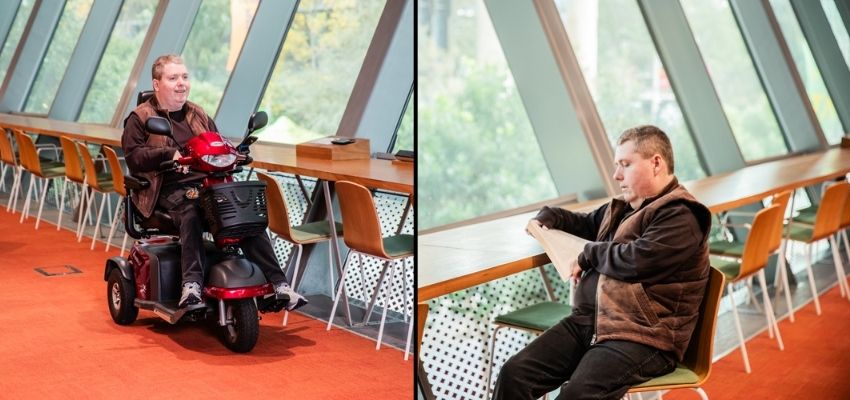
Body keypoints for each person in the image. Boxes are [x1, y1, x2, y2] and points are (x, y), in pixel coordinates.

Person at [492, 125, 711, 399]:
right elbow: (583, 223)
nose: (616, 175)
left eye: (625, 164)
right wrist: (549, 216)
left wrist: (588, 254)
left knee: (577, 395)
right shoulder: (623, 207)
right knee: (514, 374)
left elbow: (636, 261)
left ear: (656, 163)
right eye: (616, 165)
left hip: (643, 336)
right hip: (589, 322)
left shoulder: (682, 216)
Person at [122, 54, 308, 310]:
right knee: (192, 211)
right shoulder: (141, 117)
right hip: (164, 189)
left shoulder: (197, 113)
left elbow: (216, 142)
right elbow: (134, 157)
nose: (181, 83)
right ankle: (192, 285)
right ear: (156, 84)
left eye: (185, 77)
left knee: (245, 213)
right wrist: (169, 155)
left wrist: (236, 153)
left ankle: (279, 285)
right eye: (173, 78)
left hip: (207, 186)